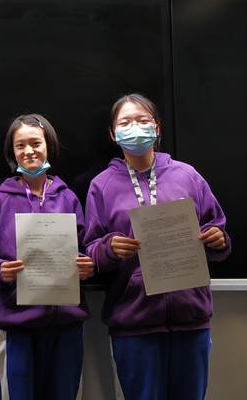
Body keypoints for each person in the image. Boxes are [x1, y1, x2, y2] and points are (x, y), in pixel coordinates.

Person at [84, 93, 231, 400]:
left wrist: (218, 240)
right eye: (125, 122)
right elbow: (91, 249)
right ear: (113, 133)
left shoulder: (187, 175)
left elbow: (216, 230)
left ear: (157, 127)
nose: (135, 128)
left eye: (142, 120)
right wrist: (110, 249)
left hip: (191, 319)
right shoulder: (101, 185)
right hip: (134, 323)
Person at [0, 114, 94, 400]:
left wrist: (87, 266)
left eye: (36, 143)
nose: (29, 151)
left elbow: (85, 247)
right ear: (12, 152)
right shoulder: (0, 199)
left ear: (48, 146)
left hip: (66, 325)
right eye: (20, 145)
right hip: (18, 326)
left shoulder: (68, 197)